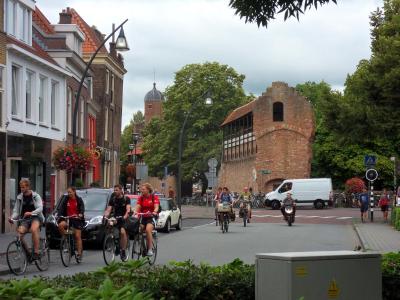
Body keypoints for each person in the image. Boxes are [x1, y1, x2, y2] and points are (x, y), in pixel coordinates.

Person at [9, 179, 44, 261]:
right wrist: (12, 218)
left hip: (36, 217)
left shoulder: (36, 196)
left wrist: (31, 213)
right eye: (21, 187)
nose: (22, 189)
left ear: (28, 186)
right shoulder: (19, 197)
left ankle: (36, 252)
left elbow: (40, 208)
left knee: (33, 229)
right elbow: (16, 211)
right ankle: (28, 254)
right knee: (19, 236)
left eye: (23, 187)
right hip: (25, 219)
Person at [57, 186, 85, 262]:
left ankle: (79, 254)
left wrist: (80, 214)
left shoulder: (79, 200)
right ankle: (66, 238)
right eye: (68, 192)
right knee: (60, 226)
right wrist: (59, 215)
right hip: (67, 218)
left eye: (70, 192)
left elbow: (82, 208)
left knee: (77, 236)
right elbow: (61, 208)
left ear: (74, 191)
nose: (69, 193)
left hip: (77, 219)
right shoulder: (66, 199)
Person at [104, 184, 131, 260]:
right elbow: (108, 210)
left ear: (121, 190)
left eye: (116, 190)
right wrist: (105, 216)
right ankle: (113, 242)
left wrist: (125, 217)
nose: (115, 191)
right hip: (115, 218)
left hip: (123, 218)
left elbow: (128, 210)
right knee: (109, 224)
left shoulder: (126, 199)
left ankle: (123, 251)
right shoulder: (112, 199)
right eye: (114, 190)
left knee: (122, 232)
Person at [134, 183, 159, 256]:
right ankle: (142, 246)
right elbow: (138, 207)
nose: (142, 190)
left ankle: (150, 249)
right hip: (143, 217)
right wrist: (135, 212)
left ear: (148, 190)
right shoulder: (141, 198)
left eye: (143, 189)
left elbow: (156, 206)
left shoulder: (154, 197)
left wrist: (155, 211)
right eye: (141, 189)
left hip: (151, 217)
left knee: (148, 230)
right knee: (139, 229)